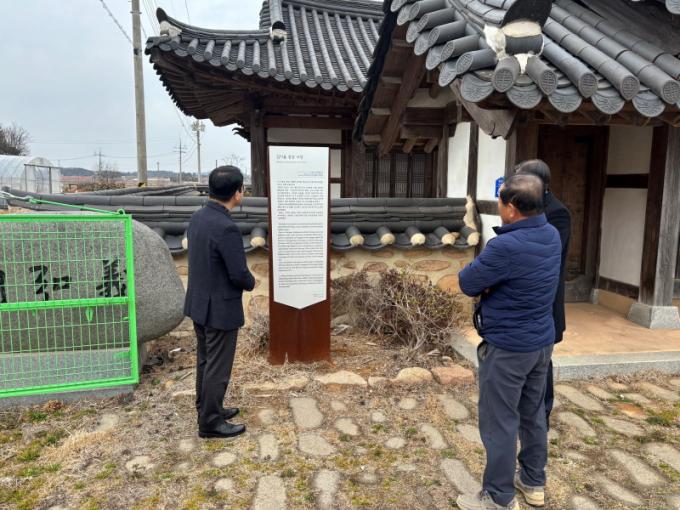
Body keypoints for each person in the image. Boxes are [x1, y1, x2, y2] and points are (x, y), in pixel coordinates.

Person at [456, 174, 561, 510]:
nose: (499, 204)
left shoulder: (505, 246)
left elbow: (467, 281)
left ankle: (499, 497)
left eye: (500, 199)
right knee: (533, 414)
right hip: (540, 344)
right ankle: (533, 482)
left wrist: (490, 283)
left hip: (508, 348)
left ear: (512, 208)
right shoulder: (551, 234)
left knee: (500, 421)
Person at [184, 166, 255, 439]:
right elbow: (238, 273)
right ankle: (211, 422)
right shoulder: (226, 227)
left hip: (199, 303)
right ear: (237, 193)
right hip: (220, 308)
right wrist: (251, 282)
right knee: (218, 366)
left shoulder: (198, 217)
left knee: (206, 360)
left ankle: (207, 408)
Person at [515, 159, 571, 428]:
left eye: (520, 180)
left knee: (541, 361)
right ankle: (523, 411)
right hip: (523, 298)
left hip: (544, 299)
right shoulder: (527, 209)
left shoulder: (557, 213)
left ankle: (541, 414)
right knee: (523, 358)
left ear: (538, 184)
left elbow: (545, 255)